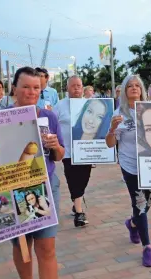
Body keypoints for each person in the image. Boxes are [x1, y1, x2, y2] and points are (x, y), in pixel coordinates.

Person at [10, 66, 65, 279]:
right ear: (14, 89)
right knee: (22, 245)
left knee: (46, 247)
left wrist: (55, 146)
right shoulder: (1, 119)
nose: (31, 92)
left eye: (36, 87)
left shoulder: (49, 117)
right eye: (26, 87)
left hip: (46, 187)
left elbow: (60, 156)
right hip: (15, 188)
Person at [105, 74, 151, 267]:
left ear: (141, 90)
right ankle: (147, 247)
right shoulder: (119, 114)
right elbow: (110, 144)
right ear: (125, 91)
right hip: (130, 165)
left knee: (148, 200)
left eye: (137, 85)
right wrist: (112, 128)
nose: (134, 88)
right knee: (140, 203)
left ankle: (133, 224)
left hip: (150, 165)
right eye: (130, 86)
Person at [53, 75, 91, 227]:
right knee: (72, 178)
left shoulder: (89, 105)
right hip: (67, 151)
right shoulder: (60, 106)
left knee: (84, 178)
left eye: (79, 86)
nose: (76, 88)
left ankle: (77, 202)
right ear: (67, 88)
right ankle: (79, 212)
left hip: (86, 151)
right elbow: (52, 123)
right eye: (73, 85)